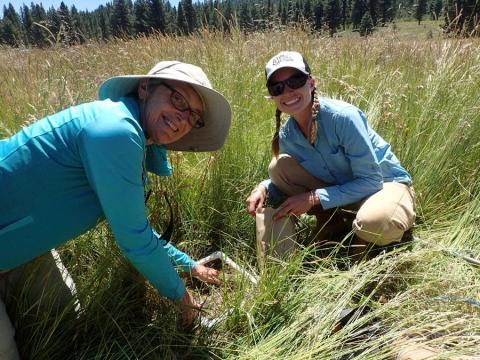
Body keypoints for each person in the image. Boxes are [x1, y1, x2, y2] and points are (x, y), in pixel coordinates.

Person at [0, 60, 231, 359]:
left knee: (66, 319)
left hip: (21, 247)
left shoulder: (128, 134)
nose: (182, 118)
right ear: (145, 88)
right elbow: (134, 239)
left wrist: (188, 265)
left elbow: (132, 225)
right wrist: (182, 296)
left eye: (193, 115)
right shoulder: (116, 129)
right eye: (177, 99)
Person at [246, 51, 415, 257]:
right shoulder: (288, 136)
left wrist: (312, 198)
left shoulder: (343, 117)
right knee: (278, 167)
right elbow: (284, 179)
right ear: (272, 96)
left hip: (383, 185)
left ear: (311, 82)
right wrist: (263, 188)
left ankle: (359, 248)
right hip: (343, 192)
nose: (288, 91)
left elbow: (371, 181)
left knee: (376, 222)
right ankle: (332, 221)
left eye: (295, 81)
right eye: (278, 87)